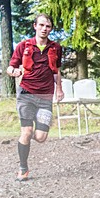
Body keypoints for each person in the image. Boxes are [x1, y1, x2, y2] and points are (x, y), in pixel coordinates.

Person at [7, 13, 64, 181]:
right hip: (25, 94)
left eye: (48, 26)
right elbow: (10, 68)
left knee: (40, 137)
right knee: (27, 131)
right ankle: (23, 168)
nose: (44, 29)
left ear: (51, 29)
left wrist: (59, 89)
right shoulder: (23, 45)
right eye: (41, 25)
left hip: (45, 96)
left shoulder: (56, 48)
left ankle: (25, 137)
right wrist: (14, 72)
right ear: (35, 26)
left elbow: (57, 71)